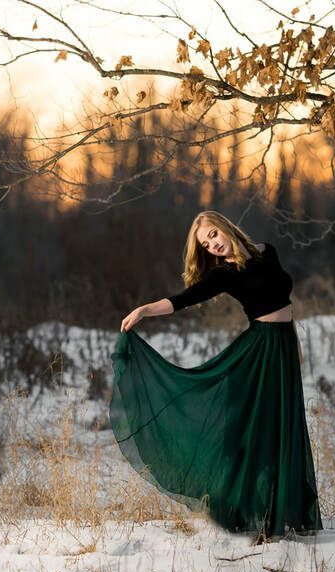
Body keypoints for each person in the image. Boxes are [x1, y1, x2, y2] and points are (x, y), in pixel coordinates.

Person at [110, 210, 322, 544]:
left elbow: (285, 302)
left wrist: (294, 341)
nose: (213, 245)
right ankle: (245, 510)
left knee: (284, 427)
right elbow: (182, 300)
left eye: (212, 235)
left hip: (282, 349)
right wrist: (143, 310)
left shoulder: (267, 251)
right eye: (206, 245)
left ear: (224, 227)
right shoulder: (225, 274)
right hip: (259, 354)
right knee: (257, 432)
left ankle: (282, 512)